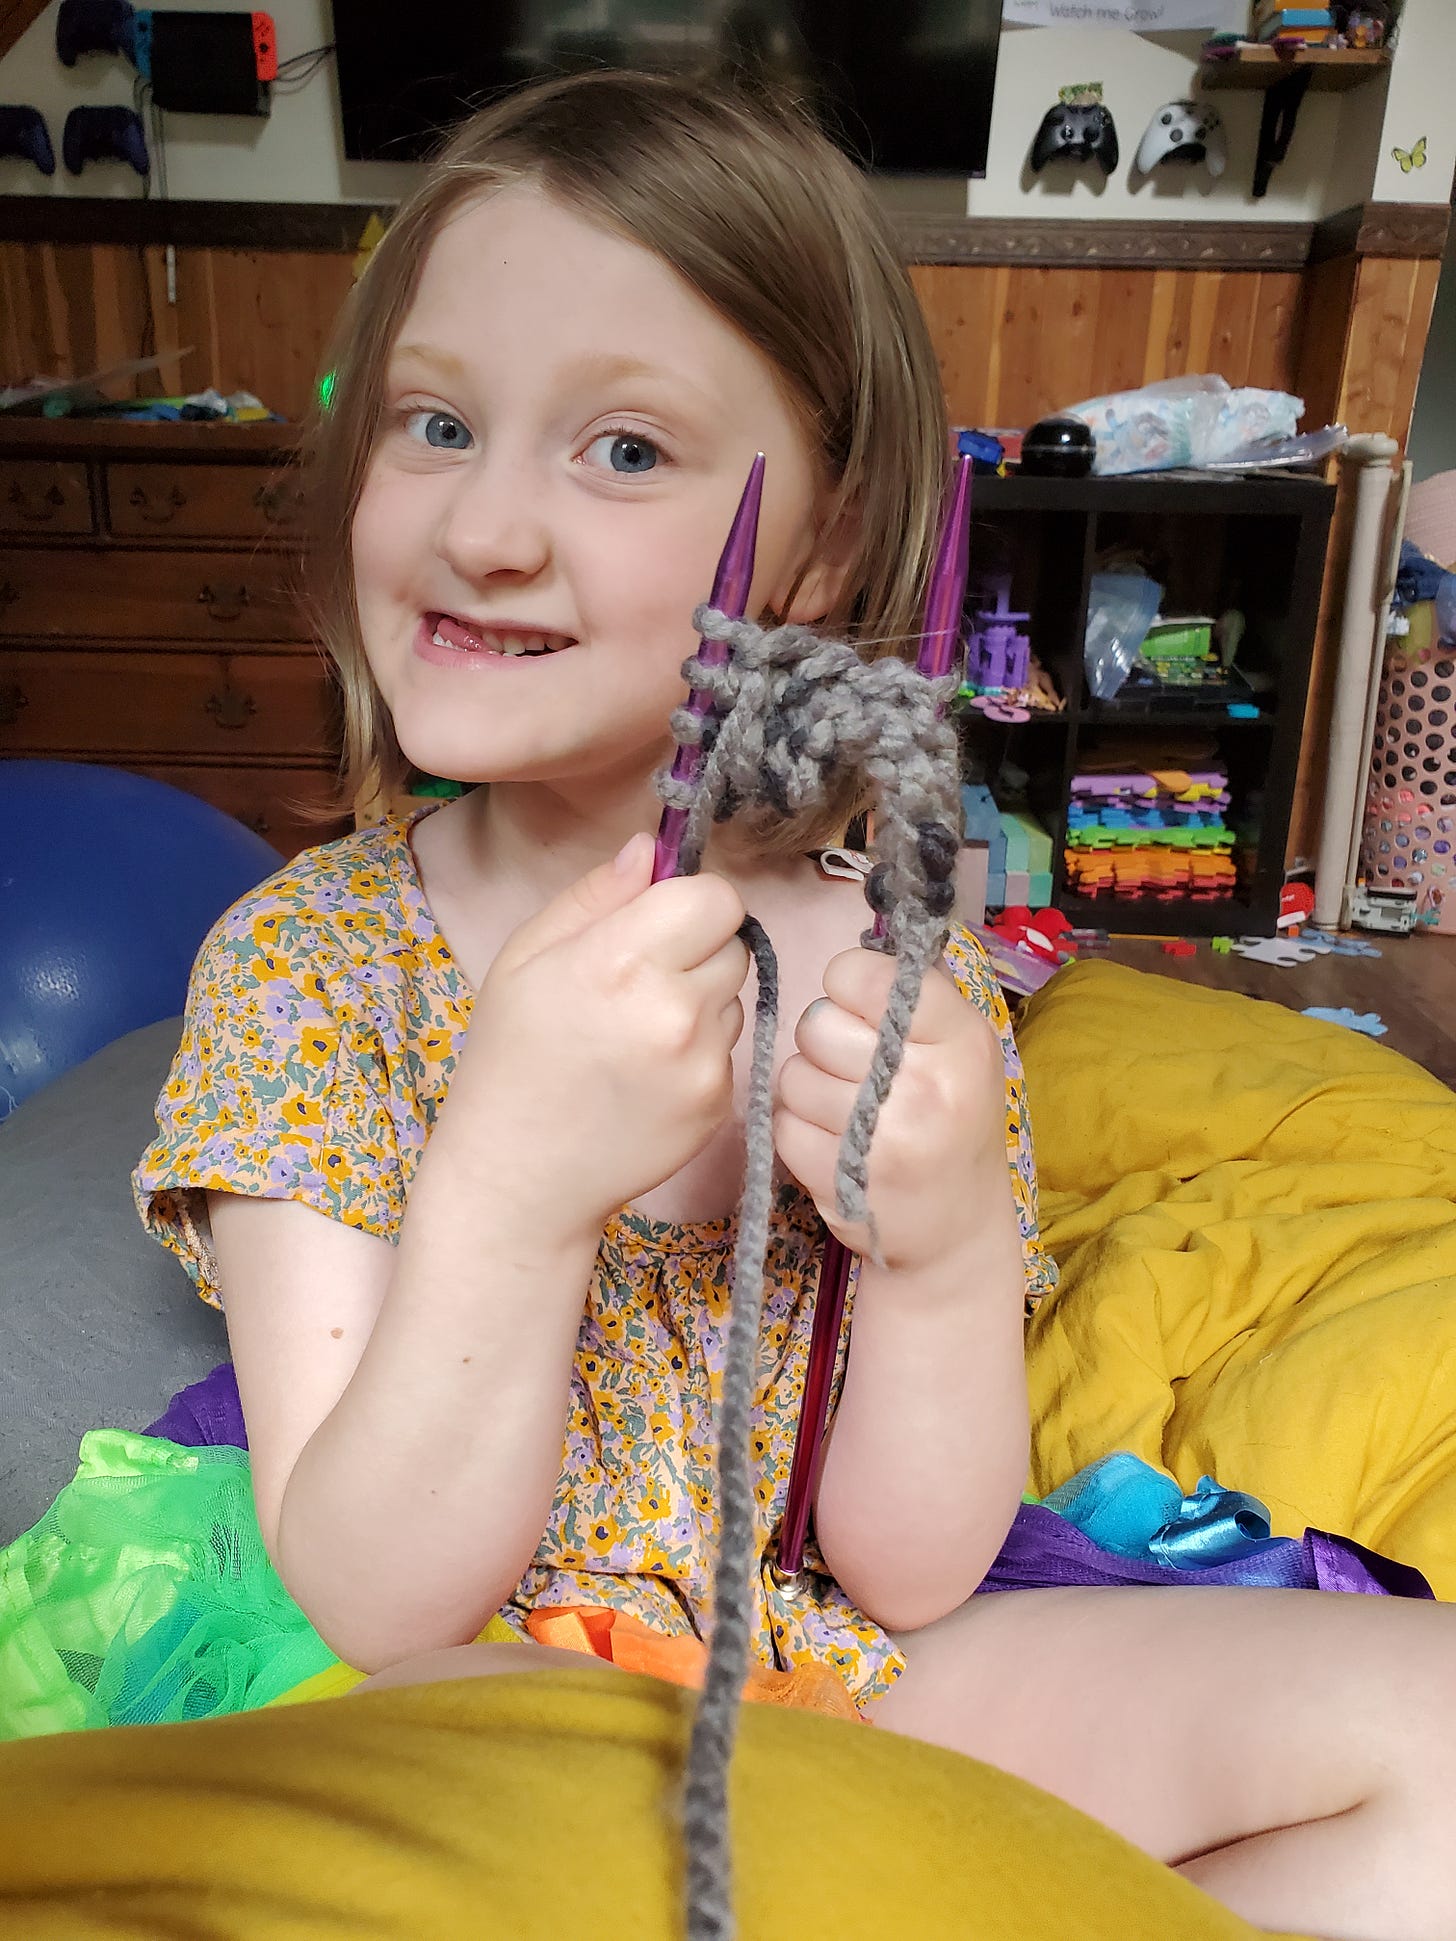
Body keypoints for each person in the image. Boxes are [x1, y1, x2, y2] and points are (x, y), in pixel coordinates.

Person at [131, 71, 1453, 1939]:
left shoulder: (899, 963)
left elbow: (910, 1574)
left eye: (624, 452)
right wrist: (511, 1188)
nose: (487, 525)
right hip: (485, 1685)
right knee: (540, 1835)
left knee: (1433, 1727)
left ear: (820, 550)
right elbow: (372, 1592)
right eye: (436, 422)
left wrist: (932, 1250)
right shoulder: (309, 965)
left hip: (834, 1670)